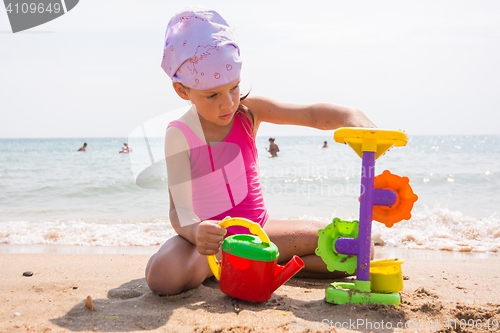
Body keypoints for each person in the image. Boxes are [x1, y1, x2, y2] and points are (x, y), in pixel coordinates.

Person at [145, 7, 376, 296]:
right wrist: (196, 233)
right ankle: (231, 263)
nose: (228, 103)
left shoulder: (248, 112)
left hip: (260, 231)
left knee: (356, 250)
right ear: (182, 91)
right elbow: (179, 212)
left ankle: (256, 261)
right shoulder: (179, 134)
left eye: (234, 88)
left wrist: (347, 115)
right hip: (210, 244)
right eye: (212, 95)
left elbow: (311, 114)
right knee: (162, 277)